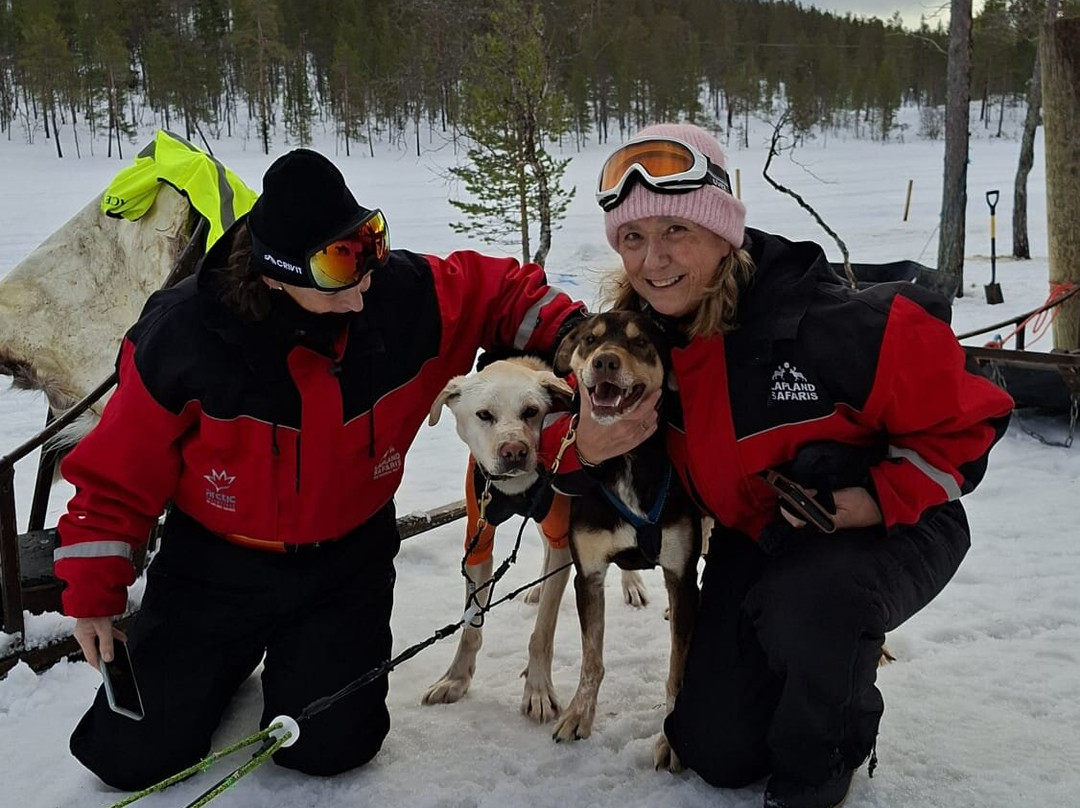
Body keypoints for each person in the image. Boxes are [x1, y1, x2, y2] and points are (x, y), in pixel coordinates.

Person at [54, 148, 585, 790]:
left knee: (331, 748)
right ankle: (222, 658)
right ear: (275, 274)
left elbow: (499, 289)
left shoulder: (396, 297)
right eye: (338, 263)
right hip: (216, 569)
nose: (364, 280)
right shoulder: (185, 338)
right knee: (128, 758)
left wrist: (582, 337)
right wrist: (94, 595)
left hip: (344, 564)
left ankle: (289, 658)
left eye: (367, 243)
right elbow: (116, 473)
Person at [556, 123, 1013, 808]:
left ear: (722, 228)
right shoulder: (646, 344)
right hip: (760, 537)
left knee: (810, 608)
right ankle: (791, 680)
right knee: (715, 748)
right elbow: (559, 424)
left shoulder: (830, 326)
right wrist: (578, 448)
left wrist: (881, 496)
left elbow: (973, 419)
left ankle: (821, 764)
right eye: (633, 239)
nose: (654, 260)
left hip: (890, 528)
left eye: (676, 229)